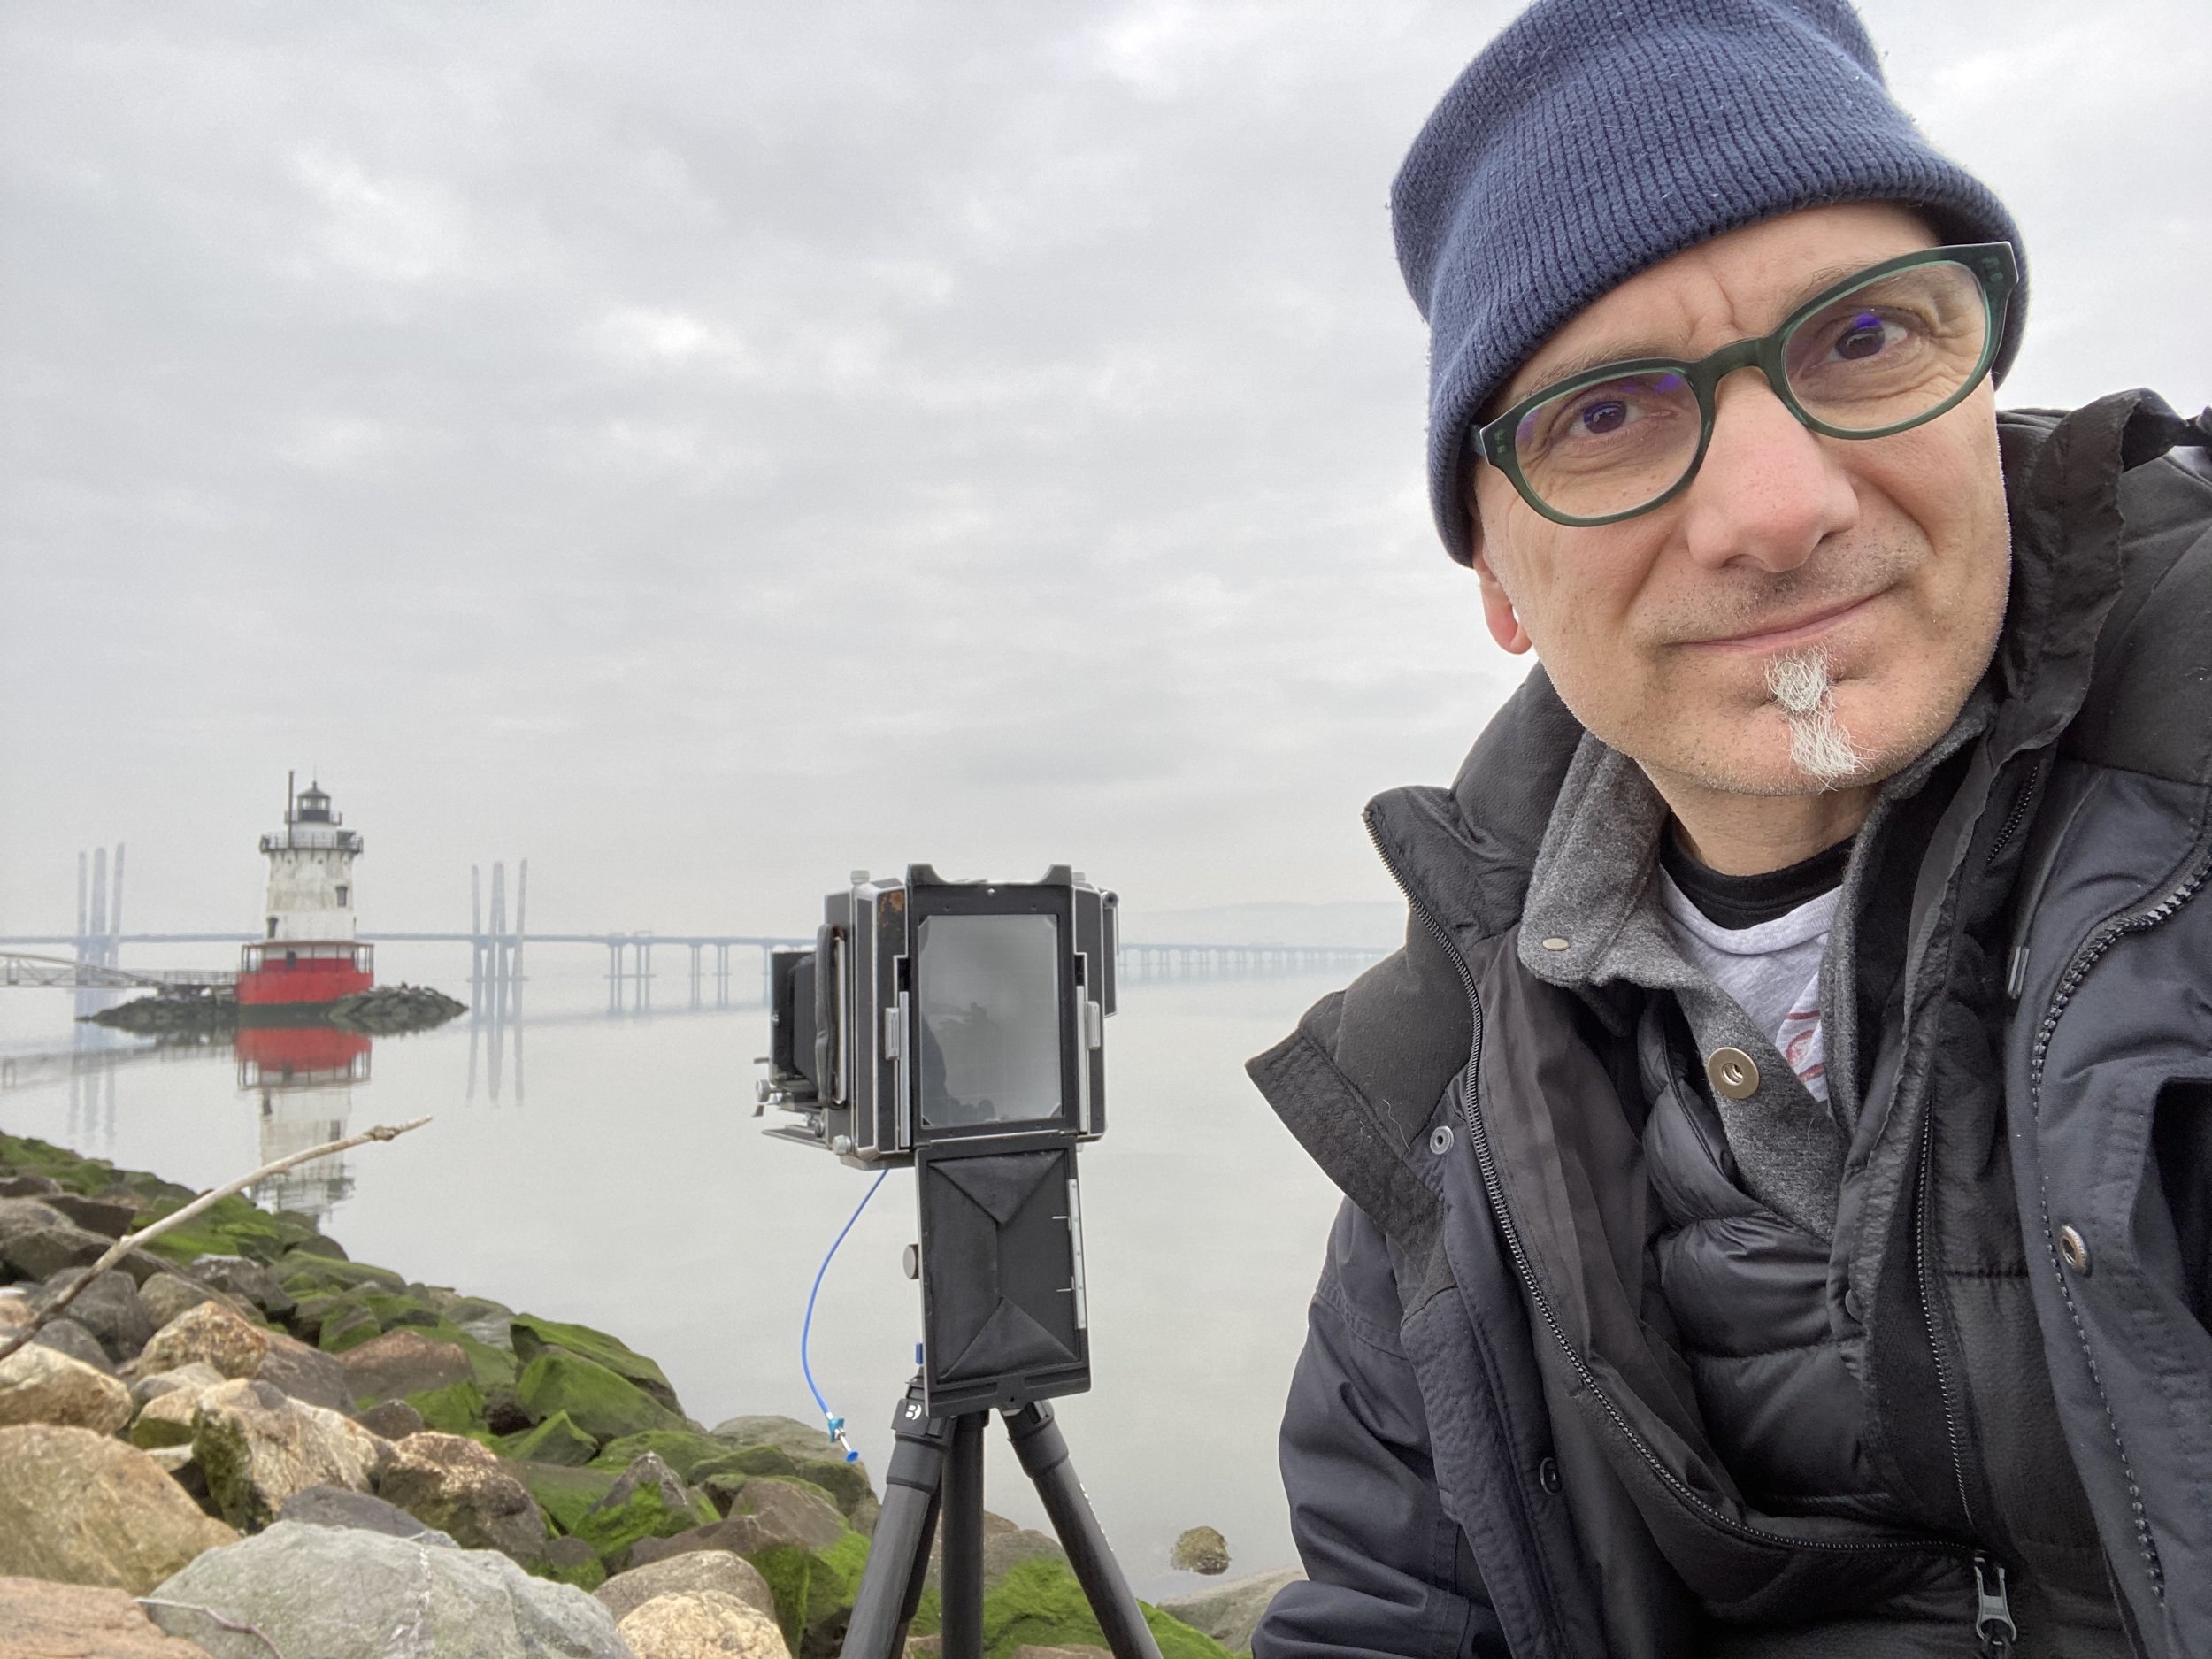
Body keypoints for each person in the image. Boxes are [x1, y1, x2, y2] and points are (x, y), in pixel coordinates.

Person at [1245, 3, 2212, 1655]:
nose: (1778, 507)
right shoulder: (1437, 1102)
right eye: (1604, 416)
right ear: (1495, 576)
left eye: (1863, 340)